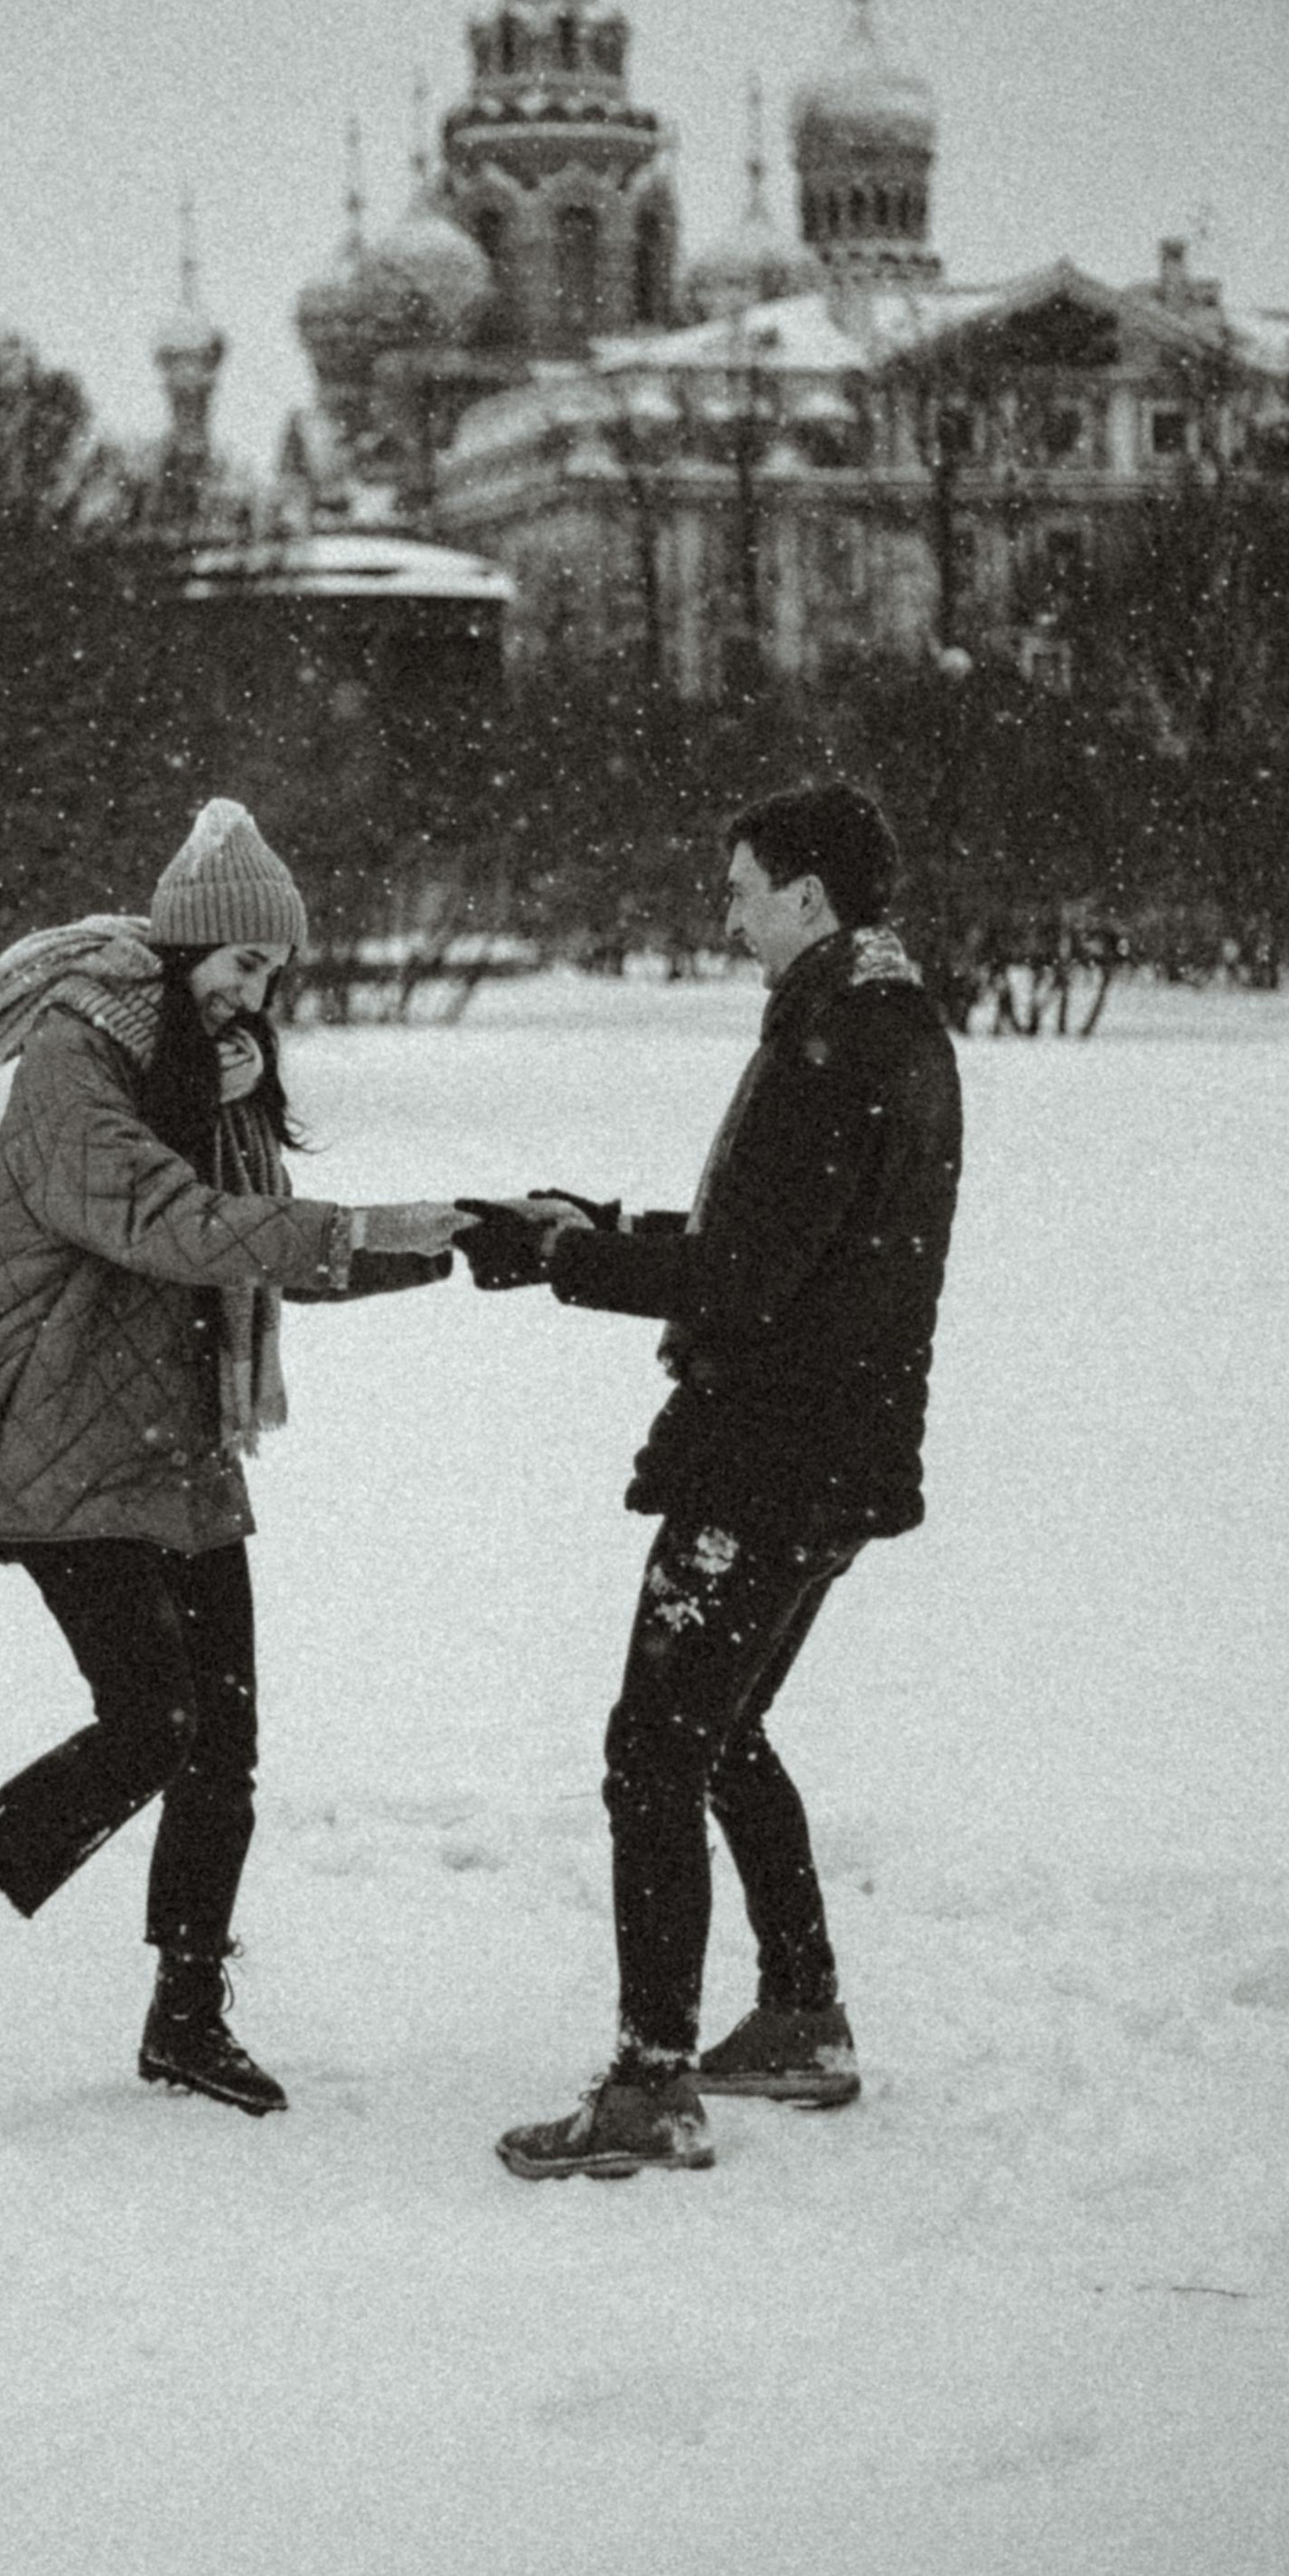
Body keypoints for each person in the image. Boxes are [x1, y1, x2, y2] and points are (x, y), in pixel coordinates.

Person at [0, 799, 465, 2117]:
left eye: (274, 971)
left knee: (220, 1736)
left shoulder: (198, 1074)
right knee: (152, 1720)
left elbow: (259, 1235)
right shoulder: (83, 1058)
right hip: (51, 1428)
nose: (257, 989)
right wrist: (372, 1226)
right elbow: (179, 1228)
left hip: (173, 1443)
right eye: (239, 963)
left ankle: (187, 2015)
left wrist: (448, 1243)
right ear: (178, 950)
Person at [459, 779, 963, 2181]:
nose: (728, 913)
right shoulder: (888, 1024)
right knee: (721, 1731)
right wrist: (604, 1225)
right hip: (838, 1449)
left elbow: (744, 1280)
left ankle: (650, 2081)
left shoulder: (836, 1039)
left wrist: (563, 1262)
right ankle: (801, 2015)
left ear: (808, 896)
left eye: (743, 887)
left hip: (771, 1457)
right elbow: (787, 1241)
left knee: (654, 1752)